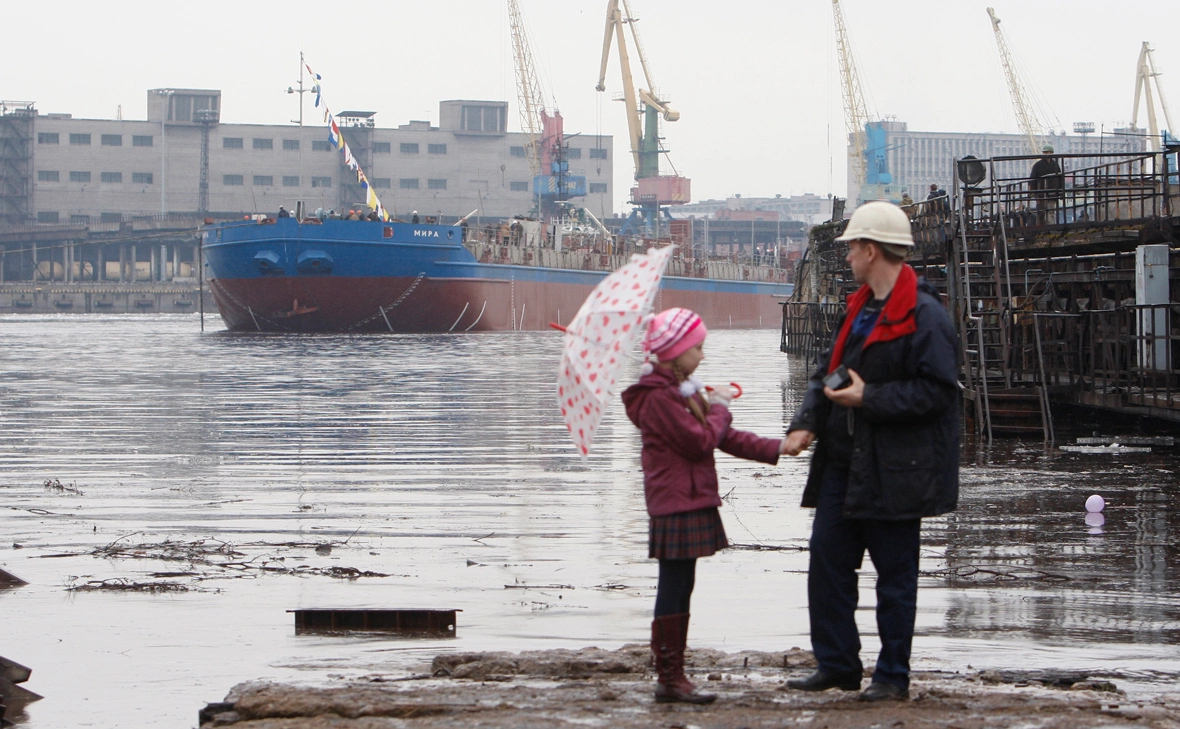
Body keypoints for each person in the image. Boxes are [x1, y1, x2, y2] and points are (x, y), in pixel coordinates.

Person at [782, 201, 960, 702]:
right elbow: (828, 371)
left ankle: (891, 678)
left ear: (872, 249)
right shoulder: (859, 307)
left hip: (897, 469)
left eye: (854, 246)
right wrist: (805, 423)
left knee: (895, 578)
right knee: (828, 565)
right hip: (844, 461)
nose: (848, 255)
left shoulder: (925, 316)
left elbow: (938, 394)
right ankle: (837, 664)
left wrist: (869, 398)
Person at [622, 308, 785, 704]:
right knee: (674, 586)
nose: (703, 355)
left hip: (688, 498)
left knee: (682, 585)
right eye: (698, 347)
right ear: (677, 352)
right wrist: (721, 405)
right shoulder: (658, 398)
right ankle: (669, 677)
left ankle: (673, 674)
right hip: (674, 503)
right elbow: (699, 441)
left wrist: (779, 448)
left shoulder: (681, 389)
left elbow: (721, 437)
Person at [1029, 144, 1063, 225]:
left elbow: (1060, 179)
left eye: (1049, 152)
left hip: (1052, 193)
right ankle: (1041, 228)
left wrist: (1060, 191)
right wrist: (1035, 194)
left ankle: (1050, 227)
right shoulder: (1038, 165)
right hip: (1041, 193)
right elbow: (1032, 180)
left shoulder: (1055, 165)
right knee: (1041, 212)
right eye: (1045, 152)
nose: (1047, 154)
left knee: (1050, 211)